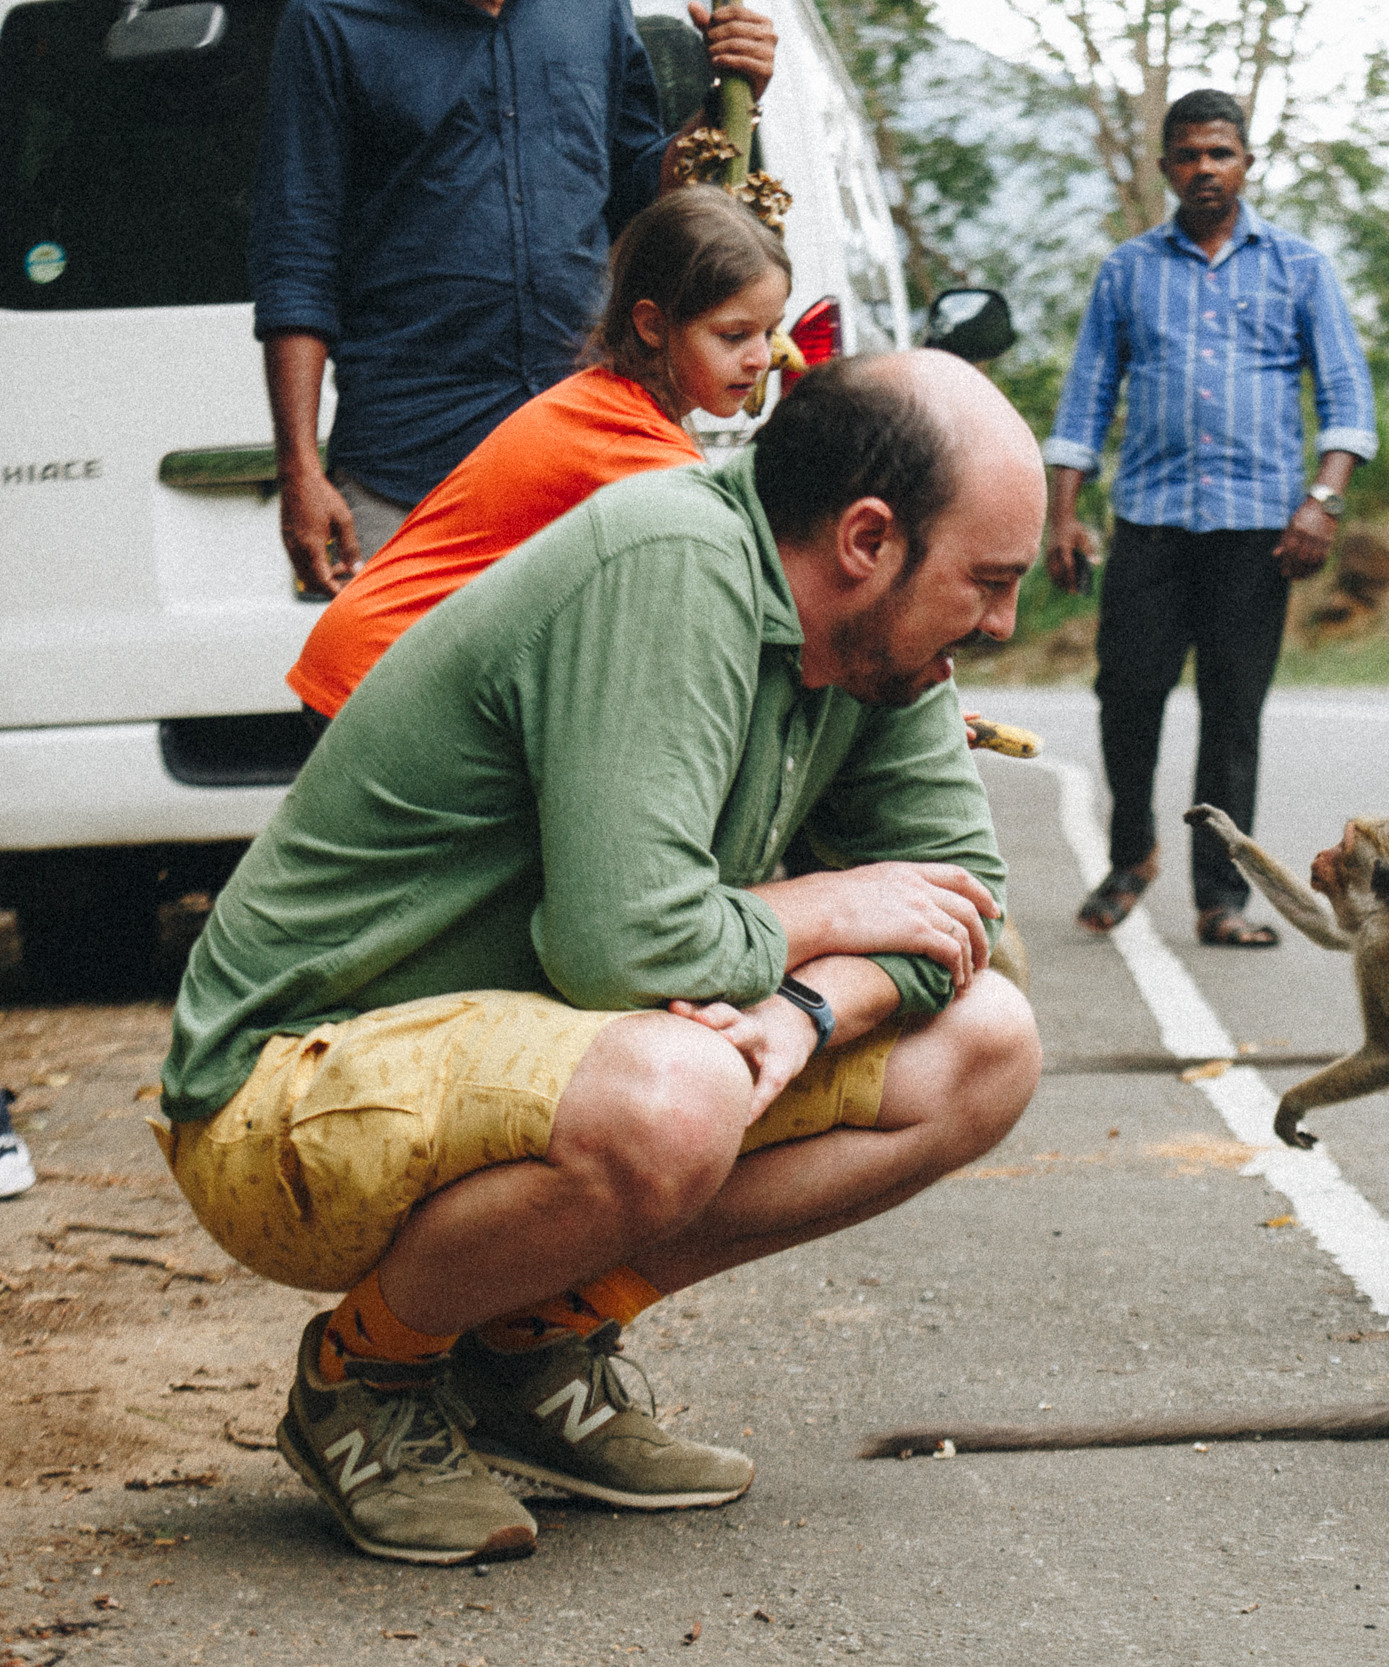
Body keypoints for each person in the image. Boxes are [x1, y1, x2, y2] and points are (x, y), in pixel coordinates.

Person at [154, 352, 1045, 1567]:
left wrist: (806, 1008)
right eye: (987, 582)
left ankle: (525, 1349)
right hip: (292, 1086)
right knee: (678, 1091)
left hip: (533, 1063)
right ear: (867, 539)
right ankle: (364, 1379)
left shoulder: (882, 650)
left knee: (986, 1042)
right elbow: (628, 945)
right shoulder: (673, 564)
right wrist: (831, 901)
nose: (1000, 626)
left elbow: (965, 904)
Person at [250, 0, 778, 598]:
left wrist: (727, 102)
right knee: (391, 661)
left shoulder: (597, 10)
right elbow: (296, 251)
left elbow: (640, 197)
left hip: (586, 456)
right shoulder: (328, 19)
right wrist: (298, 468)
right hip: (409, 469)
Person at [1042, 88, 1378, 947]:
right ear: (1165, 168)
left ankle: (1222, 898)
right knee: (1126, 697)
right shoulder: (1127, 271)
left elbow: (1347, 398)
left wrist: (1322, 502)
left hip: (1258, 531)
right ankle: (1132, 855)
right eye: (1188, 154)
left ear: (1246, 164)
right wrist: (1062, 518)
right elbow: (1085, 401)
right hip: (1150, 523)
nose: (1204, 169)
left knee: (1232, 716)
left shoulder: (1300, 268)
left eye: (1220, 153)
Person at [287, 186, 791, 720]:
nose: (761, 357)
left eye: (770, 332)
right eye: (734, 336)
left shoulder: (603, 401)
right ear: (651, 326)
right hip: (379, 672)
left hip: (375, 658)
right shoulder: (638, 449)